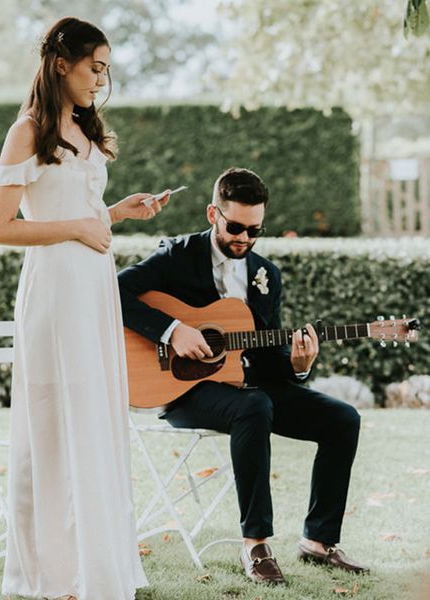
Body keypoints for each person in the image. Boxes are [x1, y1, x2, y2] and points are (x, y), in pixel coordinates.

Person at [0, 17, 169, 600]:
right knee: (57, 422)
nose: (101, 79)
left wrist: (117, 212)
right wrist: (82, 226)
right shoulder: (28, 131)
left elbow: (84, 218)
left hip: (93, 288)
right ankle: (56, 573)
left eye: (106, 69)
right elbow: (0, 230)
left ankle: (98, 566)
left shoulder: (86, 129)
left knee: (94, 421)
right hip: (56, 293)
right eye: (95, 67)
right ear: (61, 63)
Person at [118, 167, 368, 585]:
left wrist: (299, 364)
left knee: (343, 419)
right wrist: (173, 330)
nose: (244, 239)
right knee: (255, 406)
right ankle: (255, 546)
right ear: (212, 214)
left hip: (251, 388)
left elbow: (269, 359)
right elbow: (113, 291)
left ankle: (319, 542)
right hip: (185, 391)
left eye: (255, 231)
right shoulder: (177, 255)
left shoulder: (266, 274)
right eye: (235, 227)